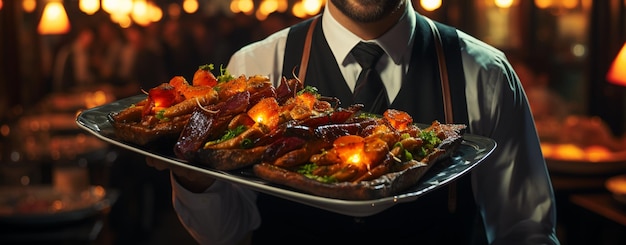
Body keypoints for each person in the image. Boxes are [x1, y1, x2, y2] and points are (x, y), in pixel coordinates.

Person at [146, 0, 560, 244]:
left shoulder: (484, 74)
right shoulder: (256, 65)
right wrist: (194, 177)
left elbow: (525, 231)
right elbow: (226, 234)